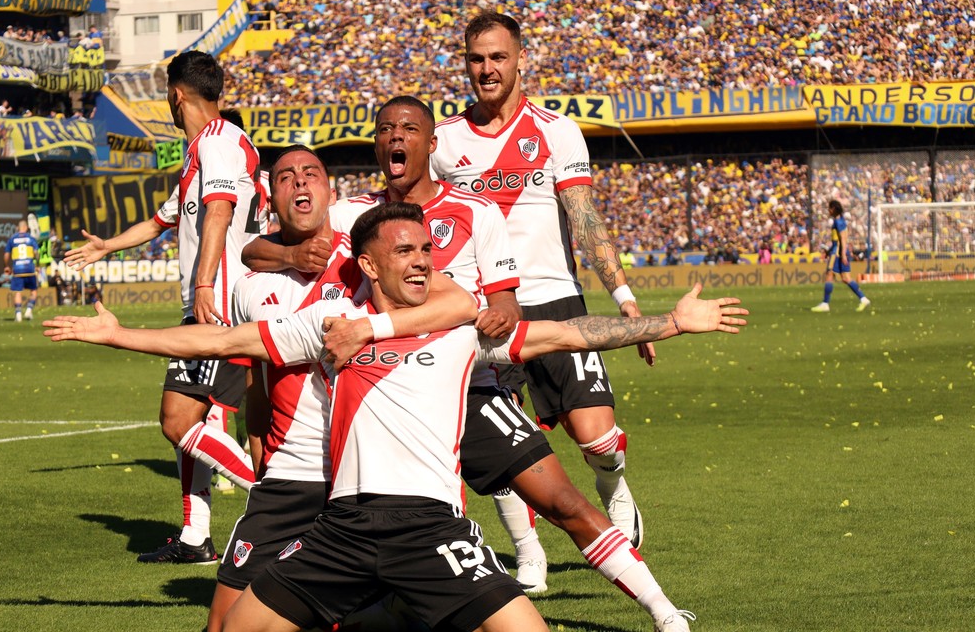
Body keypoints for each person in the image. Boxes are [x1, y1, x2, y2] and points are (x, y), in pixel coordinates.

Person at [43, 202, 748, 632]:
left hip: (431, 529)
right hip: (340, 529)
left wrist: (671, 323)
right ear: (369, 264)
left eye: (426, 251)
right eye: (404, 251)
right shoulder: (330, 322)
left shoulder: (461, 327)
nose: (422, 262)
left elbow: (565, 333)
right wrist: (120, 335)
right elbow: (224, 342)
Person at [206, 144, 477, 632]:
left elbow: (459, 302)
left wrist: (371, 329)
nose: (300, 182)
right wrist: (258, 445)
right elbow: (253, 373)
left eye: (311, 173)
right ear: (271, 197)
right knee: (225, 622)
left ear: (333, 192)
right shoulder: (250, 283)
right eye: (286, 177)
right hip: (290, 473)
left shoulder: (360, 245)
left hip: (358, 477)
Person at [432, 13, 654, 556]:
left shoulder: (556, 130)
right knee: (499, 441)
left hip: (554, 297)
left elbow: (584, 219)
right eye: (477, 59)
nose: (487, 69)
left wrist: (624, 297)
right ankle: (529, 555)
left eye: (498, 57)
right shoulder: (444, 142)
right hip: (483, 309)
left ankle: (612, 483)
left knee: (596, 436)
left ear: (520, 60)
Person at [72, 50, 265, 564]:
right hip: (215, 302)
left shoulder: (219, 141)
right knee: (191, 424)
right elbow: (161, 222)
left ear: (176, 95)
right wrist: (107, 246)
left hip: (219, 306)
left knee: (178, 421)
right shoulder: (205, 150)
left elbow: (219, 212)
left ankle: (282, 501)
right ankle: (196, 536)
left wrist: (203, 283)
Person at [811, 199, 870, 312]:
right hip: (838, 251)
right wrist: (828, 251)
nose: (828, 210)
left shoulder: (838, 222)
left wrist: (842, 254)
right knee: (846, 278)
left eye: (829, 208)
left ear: (833, 209)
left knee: (829, 274)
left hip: (838, 253)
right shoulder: (840, 220)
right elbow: (837, 240)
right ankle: (863, 299)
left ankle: (825, 303)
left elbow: (843, 239)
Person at [6, 220, 39, 321]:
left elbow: (6, 255)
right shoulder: (31, 239)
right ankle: (29, 310)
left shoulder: (12, 239)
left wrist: (7, 266)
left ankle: (18, 314)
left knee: (18, 292)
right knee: (33, 291)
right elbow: (36, 253)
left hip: (18, 269)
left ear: (18, 227)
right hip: (29, 268)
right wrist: (37, 264)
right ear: (26, 227)